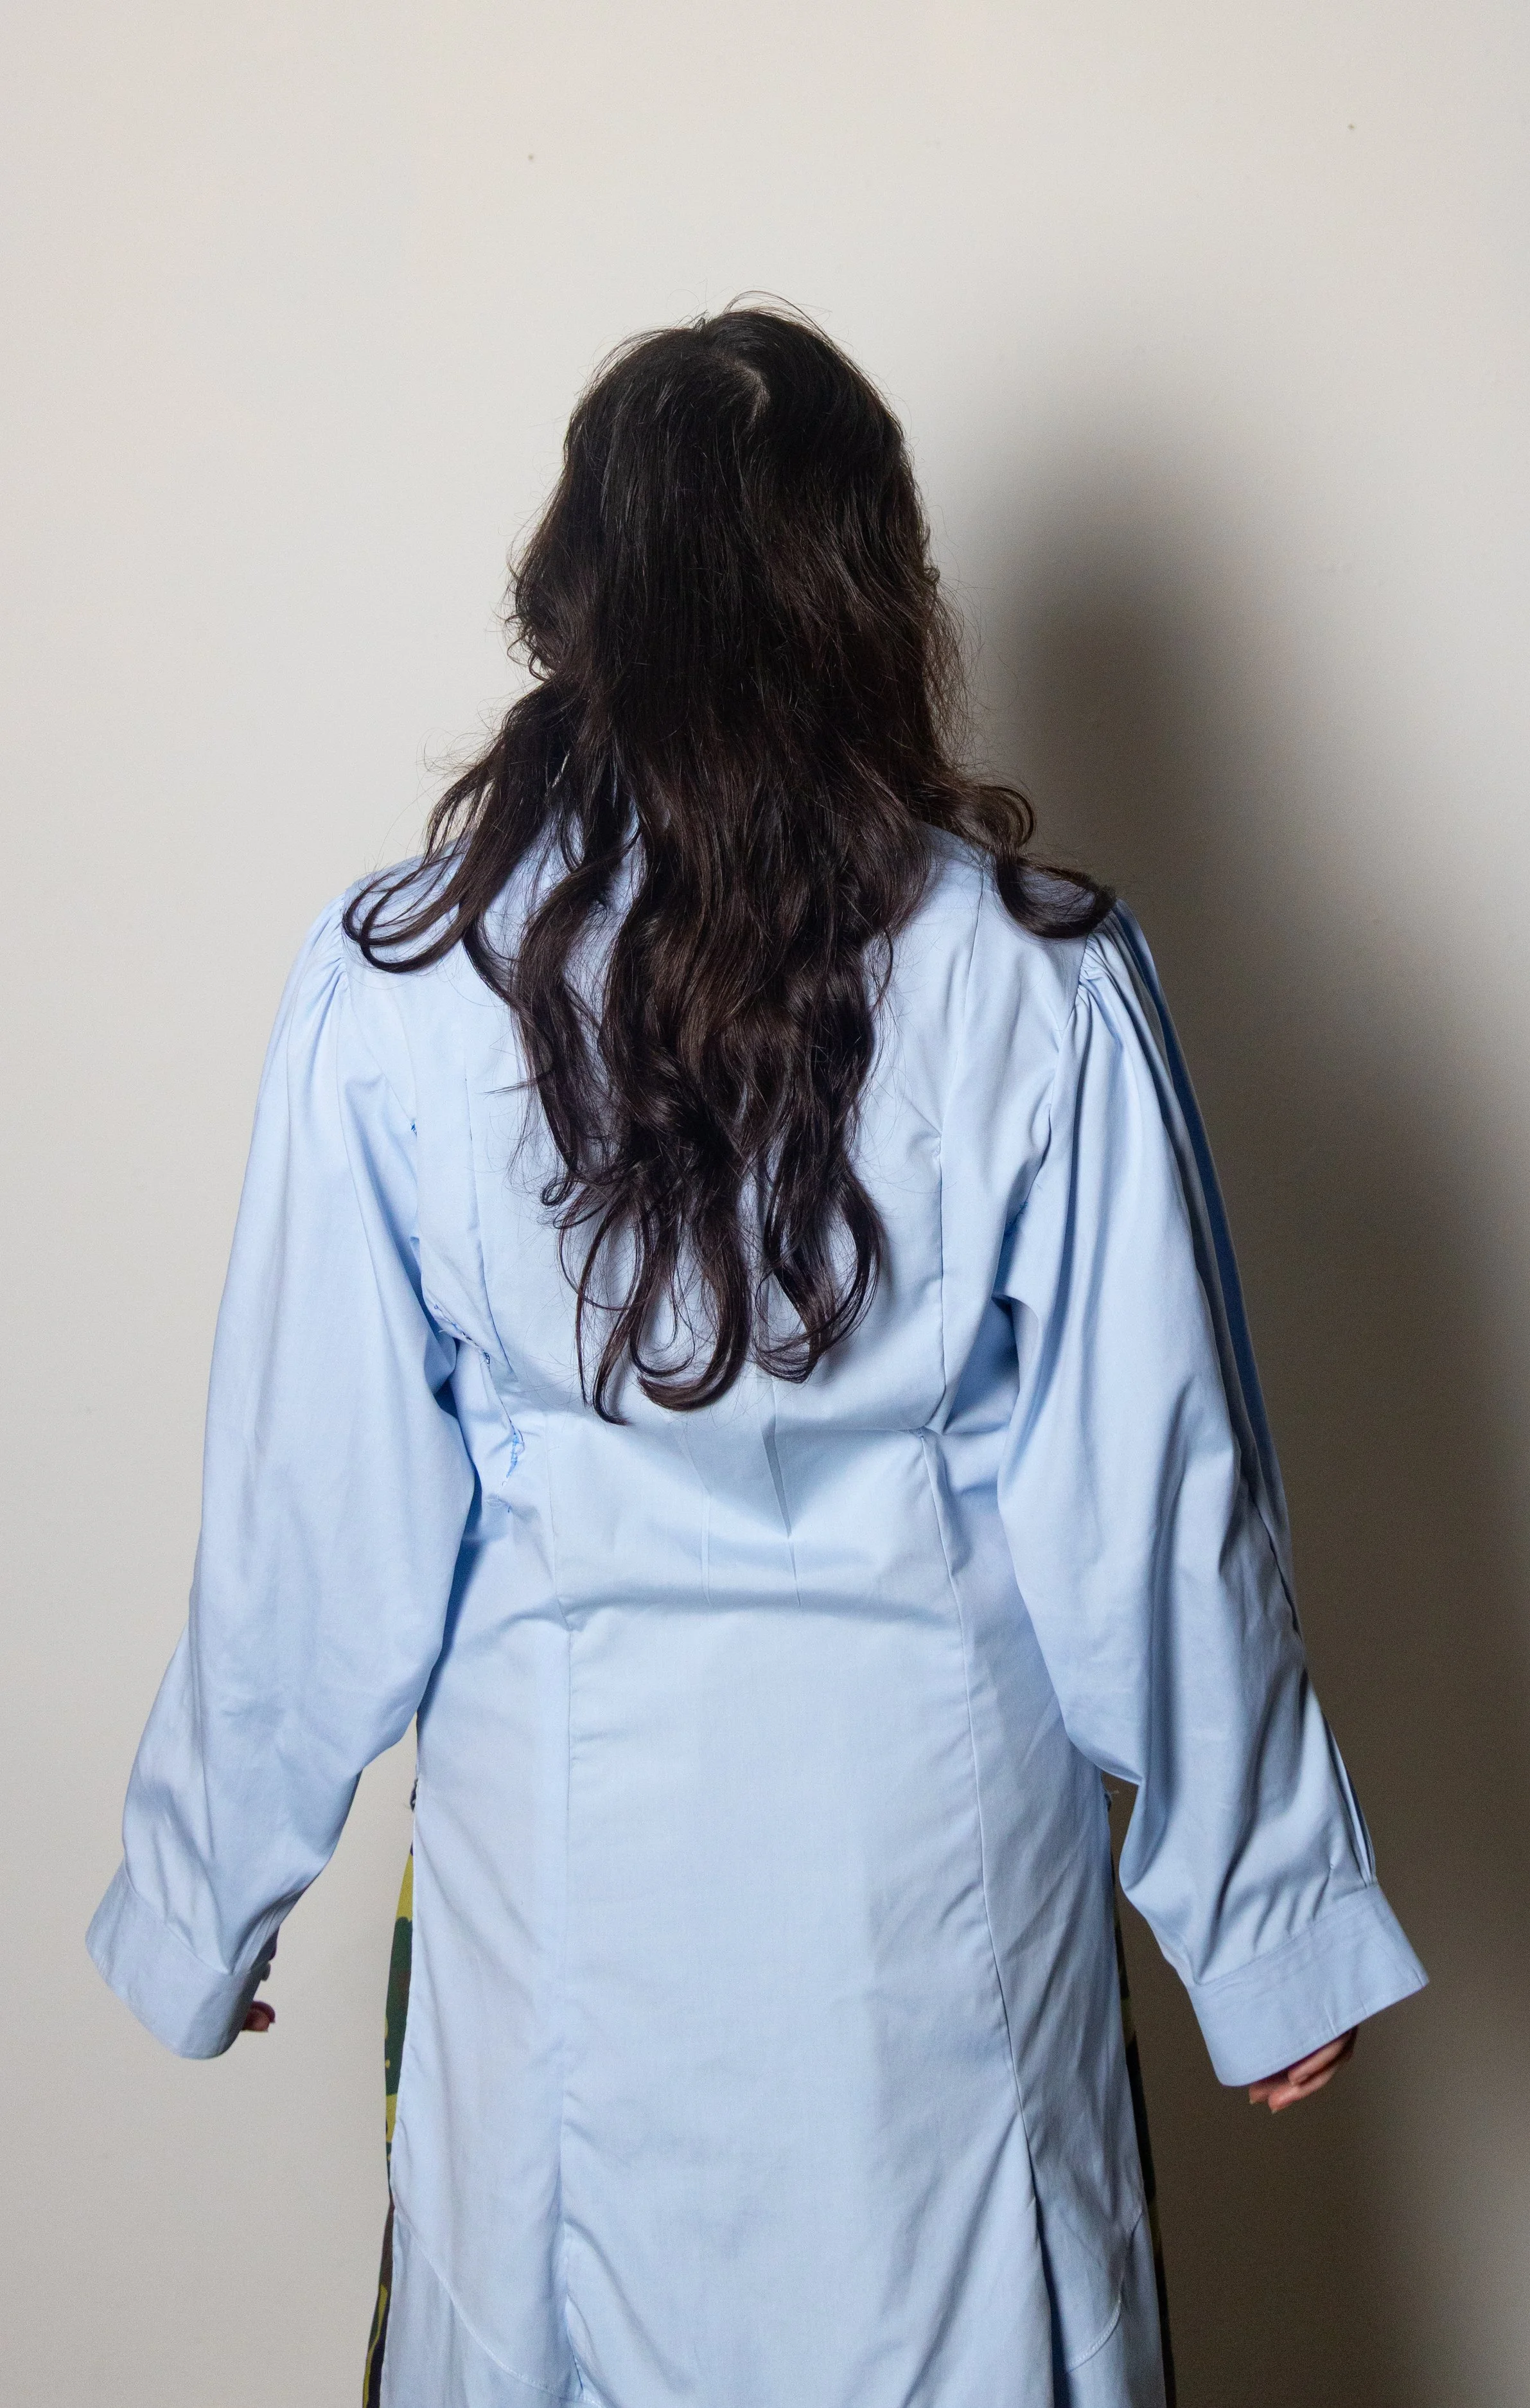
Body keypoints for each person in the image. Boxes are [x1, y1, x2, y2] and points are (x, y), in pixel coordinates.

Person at [87, 306, 1425, 2408]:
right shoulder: (1042, 979)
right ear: (876, 596)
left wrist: (209, 1884)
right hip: (934, 1898)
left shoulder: (396, 981)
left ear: (573, 594)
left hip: (562, 1898)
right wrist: (1261, 1922)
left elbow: (311, 1508)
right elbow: (1156, 1498)